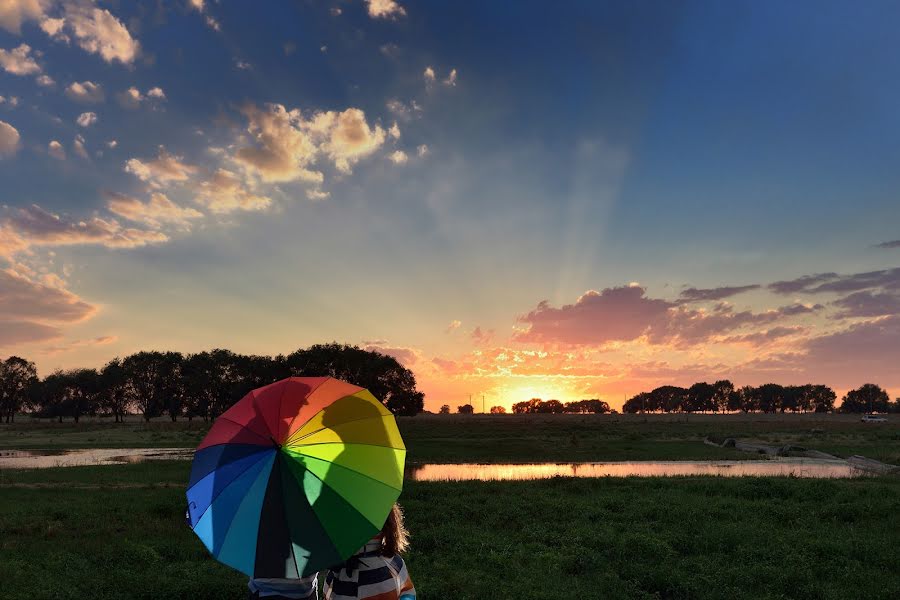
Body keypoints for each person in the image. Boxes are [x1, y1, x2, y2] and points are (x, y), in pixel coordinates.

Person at [248, 503, 416, 600]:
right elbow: (408, 594)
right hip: (303, 594)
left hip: (263, 593)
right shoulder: (395, 563)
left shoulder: (256, 517)